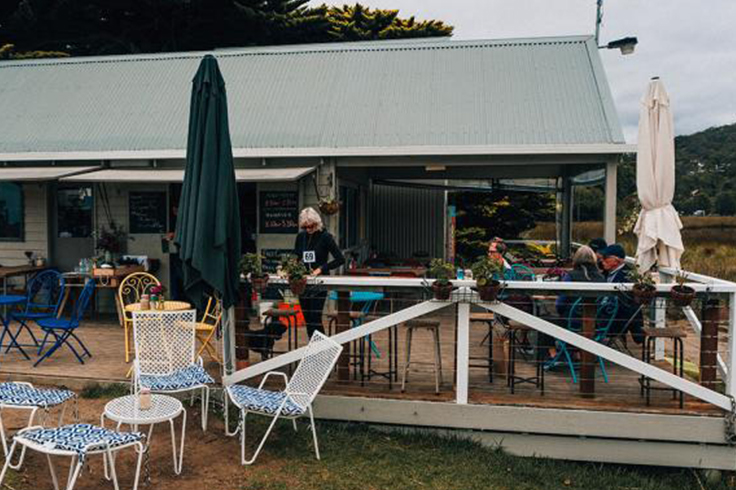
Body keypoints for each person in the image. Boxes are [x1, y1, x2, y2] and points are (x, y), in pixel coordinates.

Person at [542, 246, 605, 361]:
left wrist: (562, 312)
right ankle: (577, 352)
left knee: (543, 321)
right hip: (595, 324)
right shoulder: (601, 277)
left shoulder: (571, 276)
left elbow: (560, 304)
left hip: (571, 322)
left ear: (576, 259)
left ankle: (553, 353)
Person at [293, 207, 345, 337]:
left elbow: (340, 259)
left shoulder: (325, 237)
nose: (308, 230)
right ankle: (313, 350)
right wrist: (292, 267)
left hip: (319, 283)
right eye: (305, 227)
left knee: (315, 318)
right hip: (303, 282)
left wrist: (321, 268)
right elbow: (297, 256)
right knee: (308, 319)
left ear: (317, 223)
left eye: (311, 226)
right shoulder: (301, 237)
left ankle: (322, 349)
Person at [600, 244, 644, 344]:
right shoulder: (607, 273)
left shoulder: (628, 276)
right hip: (606, 313)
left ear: (618, 260)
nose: (602, 261)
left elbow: (627, 306)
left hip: (615, 319)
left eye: (606, 258)